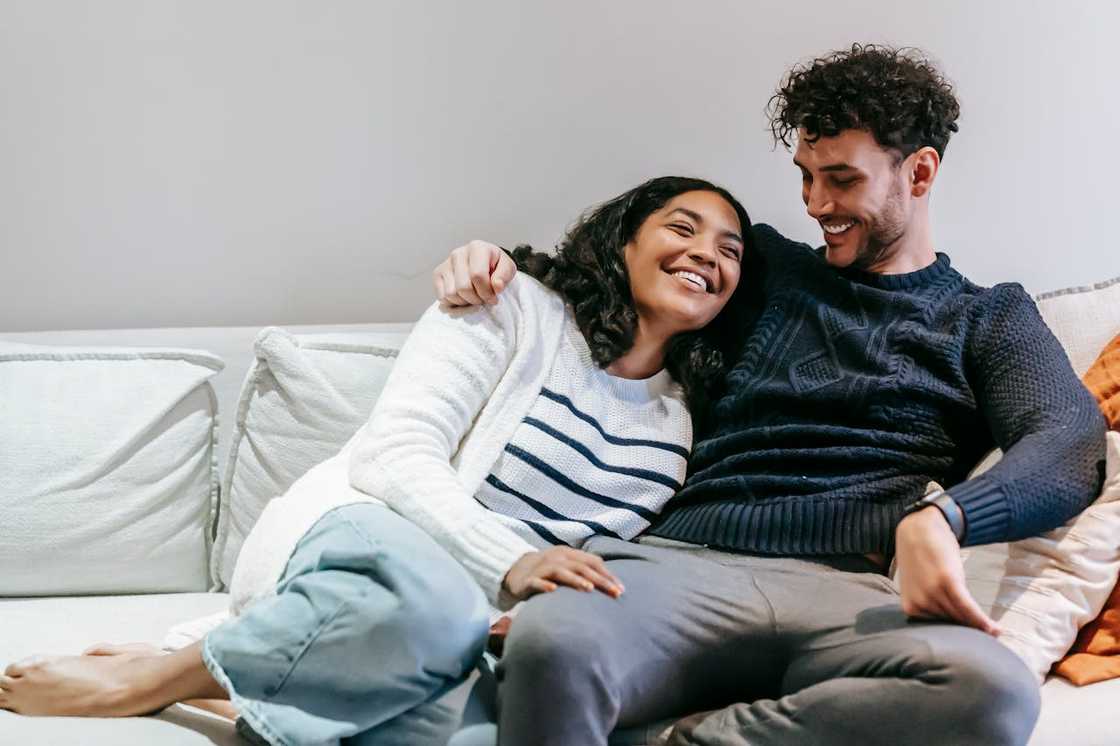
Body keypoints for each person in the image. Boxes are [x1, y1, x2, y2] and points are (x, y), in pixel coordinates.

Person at [432, 45, 1108, 746]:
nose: (817, 205)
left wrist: (945, 520)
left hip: (853, 595)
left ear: (921, 171)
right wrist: (495, 265)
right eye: (807, 178)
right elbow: (612, 276)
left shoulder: (988, 317)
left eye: (841, 180)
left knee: (990, 691)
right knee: (551, 643)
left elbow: (1071, 442)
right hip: (683, 564)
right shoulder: (762, 268)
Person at [0, 176, 756, 746]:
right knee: (434, 607)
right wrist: (511, 563)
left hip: (477, 627)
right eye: (683, 228)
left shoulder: (677, 423)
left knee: (486, 736)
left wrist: (529, 614)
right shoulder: (512, 304)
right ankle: (148, 680)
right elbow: (396, 456)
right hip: (367, 536)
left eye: (729, 251)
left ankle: (244, 695)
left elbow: (593, 559)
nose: (706, 255)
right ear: (623, 239)